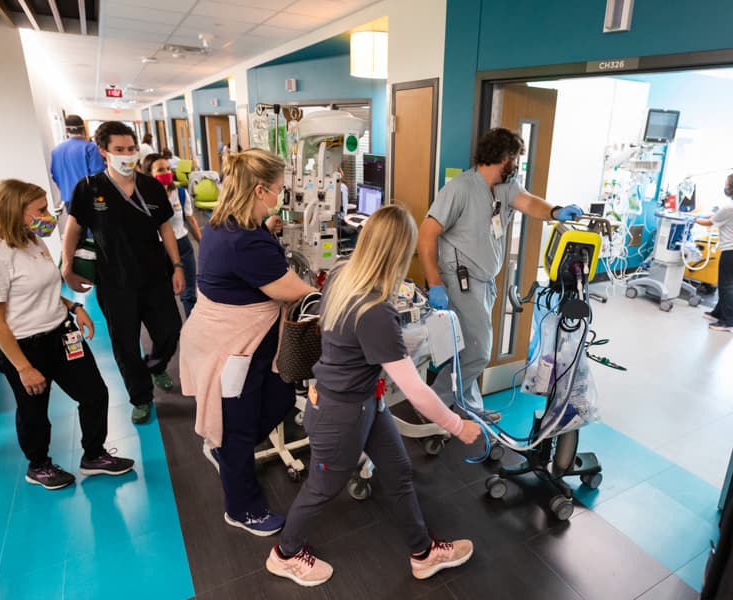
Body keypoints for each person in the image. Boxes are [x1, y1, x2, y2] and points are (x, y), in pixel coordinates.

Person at [266, 205, 482, 587]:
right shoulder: (374, 310)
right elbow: (415, 390)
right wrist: (455, 425)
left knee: (398, 472)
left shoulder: (342, 276)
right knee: (321, 489)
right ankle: (283, 554)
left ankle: (423, 553)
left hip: (365, 401)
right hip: (340, 414)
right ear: (398, 252)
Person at [180, 149, 315, 536]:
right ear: (258, 190)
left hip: (235, 341)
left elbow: (256, 255)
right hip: (231, 349)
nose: (279, 196)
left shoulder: (233, 225)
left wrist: (268, 227)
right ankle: (242, 508)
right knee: (238, 428)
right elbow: (295, 291)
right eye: (277, 190)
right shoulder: (245, 243)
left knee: (279, 399)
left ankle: (226, 448)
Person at [0, 179, 134, 490]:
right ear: (15, 212)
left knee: (95, 393)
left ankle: (94, 455)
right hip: (24, 347)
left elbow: (42, 289)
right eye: (41, 210)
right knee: (34, 412)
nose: (49, 215)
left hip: (61, 333)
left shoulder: (33, 240)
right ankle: (38, 465)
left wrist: (73, 306)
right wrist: (23, 367)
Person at [418, 128, 583, 415]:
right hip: (460, 280)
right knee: (478, 352)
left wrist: (555, 211)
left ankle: (467, 408)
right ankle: (433, 406)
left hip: (483, 282)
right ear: (504, 156)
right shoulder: (460, 188)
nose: (517, 164)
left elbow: (529, 201)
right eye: (516, 157)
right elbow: (426, 234)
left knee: (468, 349)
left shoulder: (506, 186)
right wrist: (435, 283)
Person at [61, 121, 184, 425]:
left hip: (155, 276)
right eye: (120, 150)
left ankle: (156, 366)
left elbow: (165, 227)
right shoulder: (89, 188)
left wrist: (177, 265)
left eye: (131, 149)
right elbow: (73, 229)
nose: (127, 155)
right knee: (125, 345)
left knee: (170, 330)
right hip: (115, 281)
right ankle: (140, 397)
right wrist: (66, 267)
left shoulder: (150, 185)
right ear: (103, 151)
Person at [695, 172, 733, 332]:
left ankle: (729, 321)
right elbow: (722, 216)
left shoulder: (730, 207)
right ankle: (718, 312)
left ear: (732, 188)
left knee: (726, 286)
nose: (725, 186)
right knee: (729, 284)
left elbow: (708, 222)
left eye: (727, 184)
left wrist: (692, 218)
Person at [143, 153, 201, 318]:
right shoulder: (144, 198)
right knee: (164, 296)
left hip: (183, 246)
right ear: (150, 173)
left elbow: (191, 220)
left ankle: (192, 329)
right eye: (161, 170)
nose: (167, 172)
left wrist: (203, 244)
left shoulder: (180, 193)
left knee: (189, 294)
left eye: (168, 168)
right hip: (158, 250)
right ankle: (171, 333)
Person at [50, 115, 105, 213]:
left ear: (66, 130)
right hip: (89, 199)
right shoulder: (90, 148)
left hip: (69, 198)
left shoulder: (56, 151)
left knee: (75, 227)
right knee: (94, 227)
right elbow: (99, 176)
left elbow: (55, 177)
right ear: (83, 129)